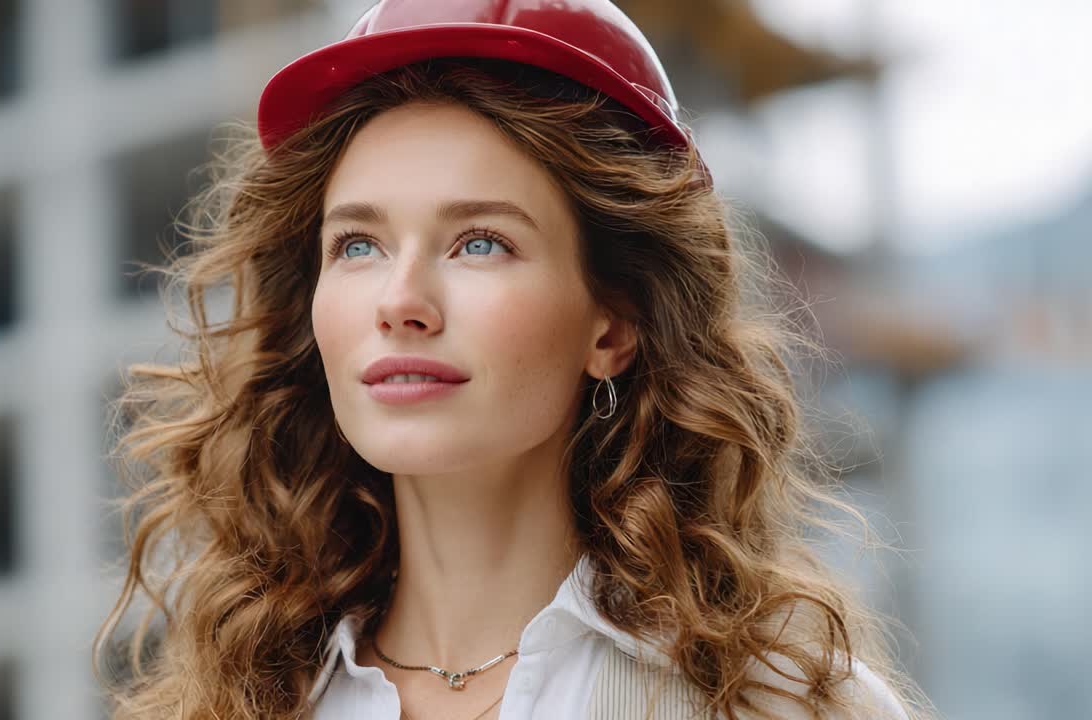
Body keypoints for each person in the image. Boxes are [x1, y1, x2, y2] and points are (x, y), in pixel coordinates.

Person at [94, 2, 939, 719]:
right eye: (357, 245)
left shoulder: (783, 706)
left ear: (614, 324)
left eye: (480, 242)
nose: (400, 300)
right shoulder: (234, 705)